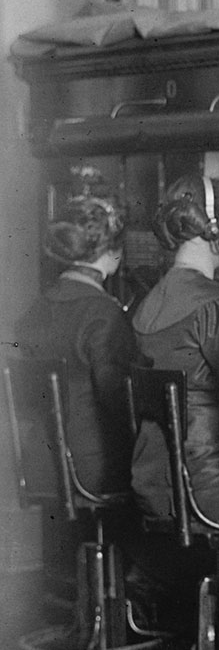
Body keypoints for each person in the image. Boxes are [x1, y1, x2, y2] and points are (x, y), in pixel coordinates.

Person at [130, 174, 219, 530]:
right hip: (214, 486)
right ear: (212, 229)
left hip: (157, 482)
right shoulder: (217, 308)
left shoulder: (147, 301)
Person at [19, 191, 138, 499]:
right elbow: (120, 402)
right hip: (94, 472)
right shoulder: (104, 314)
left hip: (38, 467)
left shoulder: (33, 310)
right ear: (112, 250)